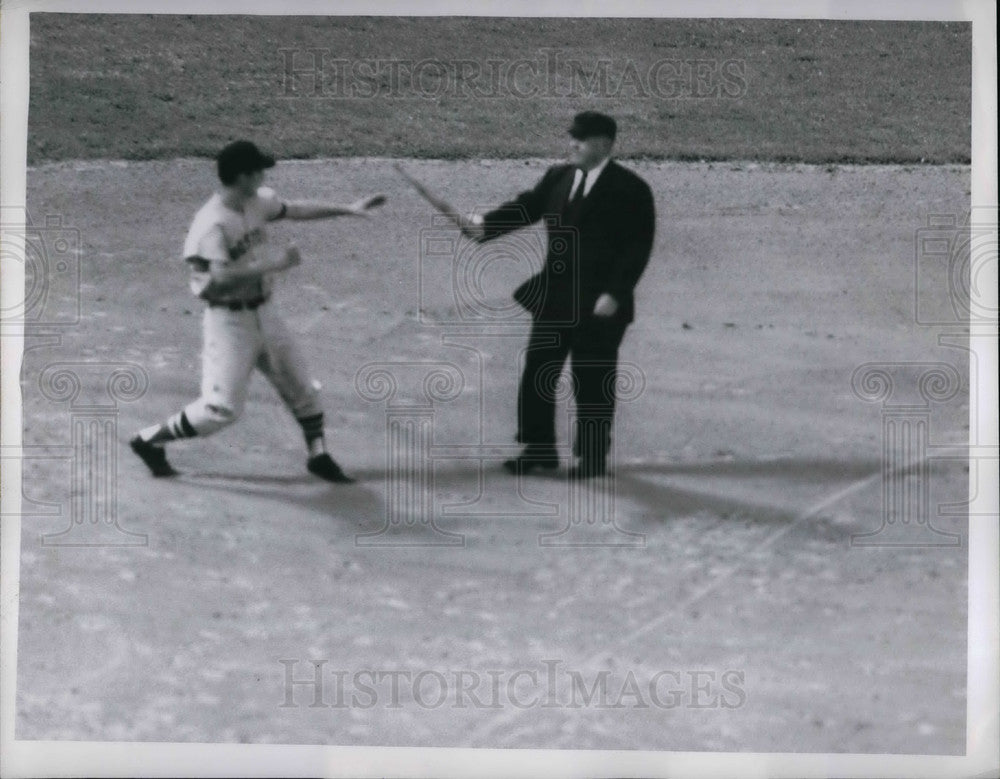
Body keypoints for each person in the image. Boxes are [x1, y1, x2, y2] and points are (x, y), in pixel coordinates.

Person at [129, 140, 385, 483]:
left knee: (302, 386)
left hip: (266, 313)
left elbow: (294, 208)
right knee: (221, 410)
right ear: (242, 176)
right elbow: (218, 280)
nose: (264, 175)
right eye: (259, 170)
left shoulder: (256, 201)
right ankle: (149, 440)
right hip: (229, 322)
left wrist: (348, 208)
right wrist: (274, 264)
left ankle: (318, 454)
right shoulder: (211, 224)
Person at [459, 112, 656, 478]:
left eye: (580, 140)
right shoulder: (558, 178)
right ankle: (539, 448)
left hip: (600, 304)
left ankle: (593, 457)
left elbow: (638, 247)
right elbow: (527, 207)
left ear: (604, 144)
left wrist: (616, 292)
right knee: (538, 372)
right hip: (554, 297)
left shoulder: (631, 189)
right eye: (572, 138)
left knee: (592, 379)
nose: (572, 144)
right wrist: (484, 226)